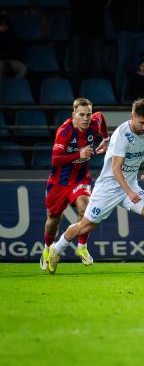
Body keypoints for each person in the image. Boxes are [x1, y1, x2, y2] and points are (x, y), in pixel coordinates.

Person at [46, 99, 144, 274]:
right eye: (141, 123)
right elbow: (116, 169)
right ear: (132, 116)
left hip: (129, 186)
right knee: (85, 226)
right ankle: (56, 249)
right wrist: (130, 192)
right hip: (108, 188)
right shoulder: (122, 136)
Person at [39, 98, 109, 272]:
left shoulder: (94, 123)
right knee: (53, 220)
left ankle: (82, 246)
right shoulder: (65, 132)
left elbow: (101, 117)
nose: (86, 118)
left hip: (80, 179)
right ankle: (47, 248)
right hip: (59, 182)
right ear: (74, 115)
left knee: (86, 209)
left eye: (88, 114)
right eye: (81, 115)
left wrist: (106, 139)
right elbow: (55, 160)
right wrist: (79, 154)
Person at [67, 0, 109, 91]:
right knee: (76, 63)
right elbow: (75, 2)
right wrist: (89, 0)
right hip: (78, 29)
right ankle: (75, 93)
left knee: (97, 63)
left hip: (96, 29)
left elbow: (103, 2)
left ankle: (95, 92)